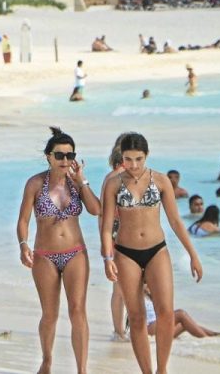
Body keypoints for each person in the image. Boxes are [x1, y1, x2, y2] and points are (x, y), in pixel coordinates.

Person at [101, 132, 203, 374]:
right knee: (136, 317)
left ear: (146, 155)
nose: (134, 165)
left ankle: (162, 370)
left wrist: (193, 255)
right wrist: (107, 258)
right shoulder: (113, 183)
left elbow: (176, 221)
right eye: (128, 159)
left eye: (138, 159)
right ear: (121, 157)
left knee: (166, 313)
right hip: (125, 253)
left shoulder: (161, 180)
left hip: (157, 250)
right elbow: (106, 227)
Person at [17, 127, 100, 374]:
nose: (65, 160)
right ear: (49, 156)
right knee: (50, 314)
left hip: (76, 253)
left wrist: (82, 181)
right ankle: (47, 361)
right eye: (60, 155)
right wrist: (23, 244)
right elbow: (23, 220)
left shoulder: (76, 183)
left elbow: (96, 209)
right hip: (45, 256)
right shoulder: (35, 183)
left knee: (77, 310)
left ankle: (82, 370)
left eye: (70, 155)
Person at [99, 133, 129, 342]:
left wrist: (105, 246)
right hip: (125, 234)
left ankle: (119, 331)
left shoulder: (109, 178)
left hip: (113, 234)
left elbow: (102, 215)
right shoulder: (124, 177)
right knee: (127, 287)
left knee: (119, 287)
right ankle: (121, 331)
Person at [144, 284, 220, 338]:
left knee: (185, 325)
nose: (148, 284)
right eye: (145, 282)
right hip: (149, 329)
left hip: (158, 327)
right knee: (180, 314)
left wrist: (152, 294)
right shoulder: (138, 295)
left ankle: (215, 334)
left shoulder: (149, 296)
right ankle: (207, 340)